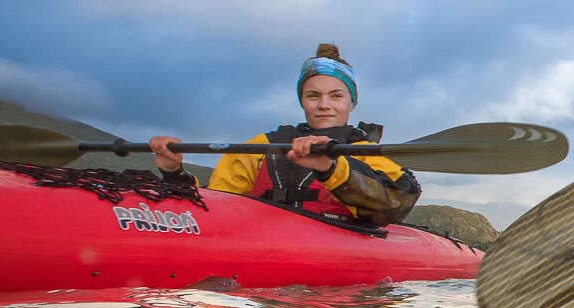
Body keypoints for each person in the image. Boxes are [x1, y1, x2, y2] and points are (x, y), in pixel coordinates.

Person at [150, 43, 421, 225]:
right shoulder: (265, 145)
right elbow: (214, 206)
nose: (324, 104)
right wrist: (174, 173)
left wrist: (330, 168)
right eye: (313, 95)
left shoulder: (364, 150)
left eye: (336, 96)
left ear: (352, 102)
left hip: (338, 272)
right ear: (302, 100)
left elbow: (397, 204)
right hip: (265, 248)